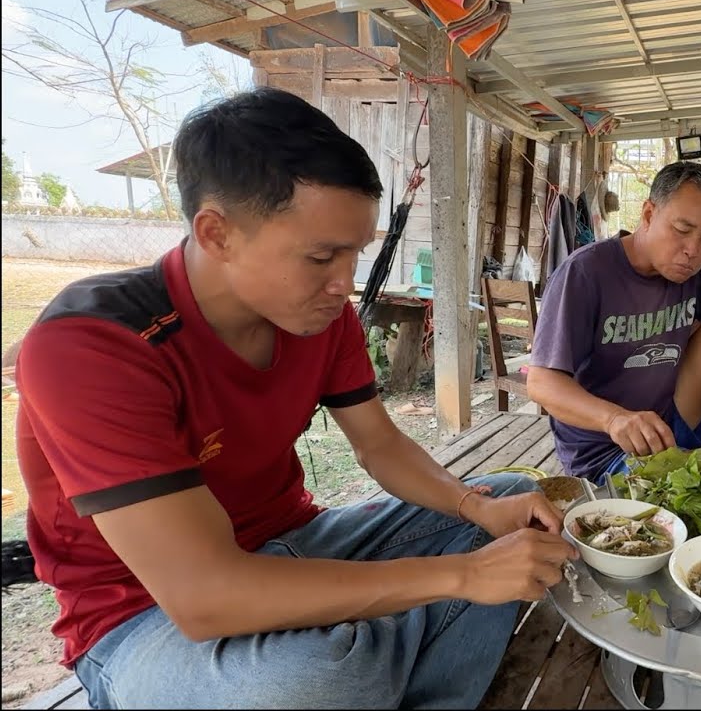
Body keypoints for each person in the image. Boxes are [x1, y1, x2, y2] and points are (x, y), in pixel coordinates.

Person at [15, 87, 577, 709]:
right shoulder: (96, 343)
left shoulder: (321, 315)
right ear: (216, 233)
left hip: (299, 542)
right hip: (144, 618)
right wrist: (462, 578)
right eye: (320, 256)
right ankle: (376, 658)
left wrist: (472, 508)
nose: (345, 284)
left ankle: (373, 655)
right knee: (316, 677)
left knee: (507, 507)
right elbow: (206, 597)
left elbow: (380, 444)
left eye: (355, 254)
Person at [527, 162, 701, 484]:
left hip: (670, 420)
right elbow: (540, 382)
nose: (692, 250)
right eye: (682, 230)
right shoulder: (586, 273)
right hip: (607, 449)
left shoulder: (699, 271)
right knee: (681, 505)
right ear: (648, 214)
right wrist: (614, 419)